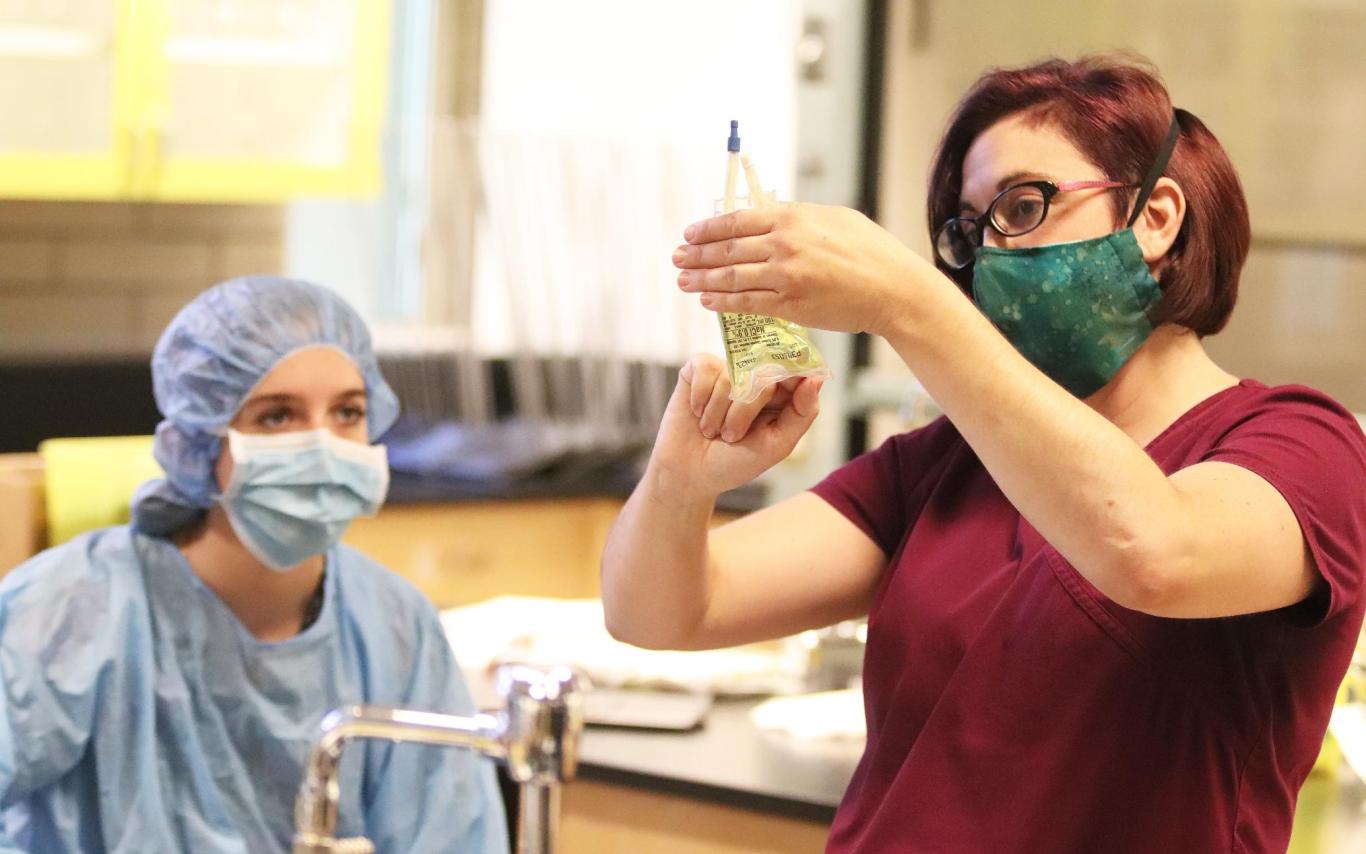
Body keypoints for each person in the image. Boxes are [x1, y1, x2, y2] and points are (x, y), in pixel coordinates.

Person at [602, 55, 1366, 852]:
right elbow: (659, 612)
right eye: (970, 232)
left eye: (1023, 205)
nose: (992, 257)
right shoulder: (945, 464)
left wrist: (905, 301)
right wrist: (679, 484)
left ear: (1156, 217)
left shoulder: (1304, 449)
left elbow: (1153, 552)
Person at [0, 277, 508, 853]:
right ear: (200, 443)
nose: (323, 446)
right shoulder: (76, 604)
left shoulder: (395, 626)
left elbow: (454, 838)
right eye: (276, 417)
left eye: (348, 411)